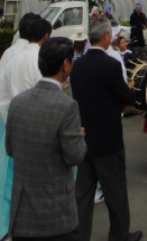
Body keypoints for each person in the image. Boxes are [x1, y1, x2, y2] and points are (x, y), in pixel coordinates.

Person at [6, 37, 87, 241]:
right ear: (65, 65)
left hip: (22, 215)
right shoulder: (67, 106)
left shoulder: (17, 103)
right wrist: (78, 136)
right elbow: (75, 156)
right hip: (56, 216)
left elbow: (10, 149)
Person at [70, 17, 142, 241]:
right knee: (115, 191)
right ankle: (119, 236)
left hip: (83, 139)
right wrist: (132, 95)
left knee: (82, 194)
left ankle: (80, 236)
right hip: (108, 141)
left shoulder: (77, 66)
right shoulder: (110, 65)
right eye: (110, 35)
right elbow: (125, 96)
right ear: (106, 37)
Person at [0, 16, 52, 239]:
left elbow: (2, 96)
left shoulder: (11, 59)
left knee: (11, 182)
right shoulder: (41, 60)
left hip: (11, 126)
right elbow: (47, 96)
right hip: (37, 131)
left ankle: (8, 229)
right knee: (38, 184)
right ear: (46, 36)